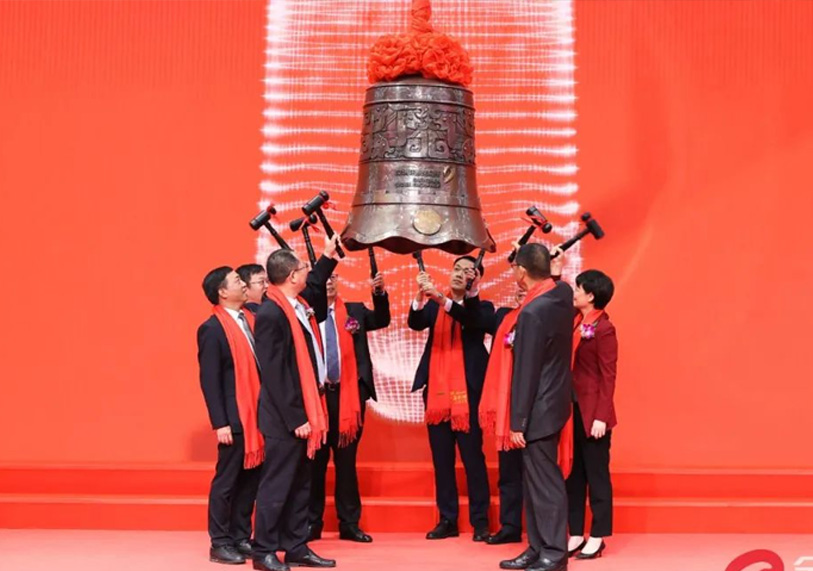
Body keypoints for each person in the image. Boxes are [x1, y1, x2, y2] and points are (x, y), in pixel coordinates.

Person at [252, 248, 337, 571]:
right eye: (303, 268)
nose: (307, 272)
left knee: (302, 484)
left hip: (306, 410)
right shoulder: (272, 313)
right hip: (286, 417)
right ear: (291, 276)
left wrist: (329, 255)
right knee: (277, 485)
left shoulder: (297, 305)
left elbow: (316, 283)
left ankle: (296, 546)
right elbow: (275, 372)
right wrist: (296, 417)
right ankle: (263, 551)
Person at [408, 256, 495, 541]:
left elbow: (471, 319)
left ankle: (480, 521)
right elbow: (415, 322)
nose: (459, 274)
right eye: (456, 269)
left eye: (467, 271)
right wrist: (421, 296)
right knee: (442, 460)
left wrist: (442, 299)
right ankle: (447, 519)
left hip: (468, 395)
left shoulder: (482, 308)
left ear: (476, 279)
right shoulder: (434, 304)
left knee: (473, 458)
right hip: (436, 393)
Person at [499, 243, 573, 571]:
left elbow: (526, 370)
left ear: (521, 271)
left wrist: (518, 421)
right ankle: (537, 546)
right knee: (534, 482)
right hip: (553, 402)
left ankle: (554, 553)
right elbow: (561, 283)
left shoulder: (532, 312)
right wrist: (555, 269)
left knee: (545, 484)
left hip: (539, 409)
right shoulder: (562, 295)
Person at [308, 271, 391, 543]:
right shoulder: (306, 314)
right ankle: (311, 523)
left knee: (346, 463)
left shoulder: (354, 310)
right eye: (323, 278)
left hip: (348, 398)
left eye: (332, 277)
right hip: (318, 398)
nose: (328, 282)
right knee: (315, 464)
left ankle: (349, 523)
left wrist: (379, 294)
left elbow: (382, 319)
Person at [197, 267, 263, 565]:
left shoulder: (251, 318)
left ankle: (240, 536)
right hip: (234, 417)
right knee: (227, 482)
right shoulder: (212, 329)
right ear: (222, 292)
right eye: (237, 281)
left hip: (257, 416)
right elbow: (209, 380)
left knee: (250, 481)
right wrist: (220, 422)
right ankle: (220, 542)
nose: (243, 284)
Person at [564, 267, 618, 560]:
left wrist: (601, 416)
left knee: (596, 475)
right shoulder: (575, 322)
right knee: (573, 476)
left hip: (593, 415)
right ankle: (575, 533)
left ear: (592, 296)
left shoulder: (604, 329)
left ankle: (597, 535)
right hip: (571, 411)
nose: (574, 293)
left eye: (578, 289)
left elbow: (608, 376)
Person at [480, 287, 527, 545]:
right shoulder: (503, 317)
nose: (522, 290)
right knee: (508, 471)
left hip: (534, 406)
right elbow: (474, 317)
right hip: (506, 403)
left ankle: (543, 531)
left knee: (537, 474)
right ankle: (510, 526)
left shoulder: (547, 318)